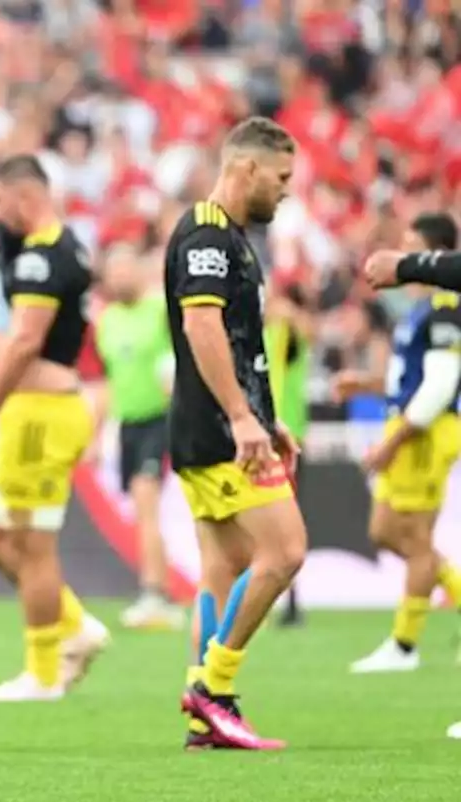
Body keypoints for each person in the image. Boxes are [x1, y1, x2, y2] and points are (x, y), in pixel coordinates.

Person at [164, 117, 306, 751]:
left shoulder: (231, 239)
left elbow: (240, 345)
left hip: (219, 425)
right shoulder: (208, 235)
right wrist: (243, 418)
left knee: (224, 566)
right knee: (285, 552)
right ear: (246, 169)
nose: (285, 191)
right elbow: (202, 329)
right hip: (220, 432)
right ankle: (214, 691)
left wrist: (266, 415)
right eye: (280, 178)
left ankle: (204, 712)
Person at [0, 156, 107, 703]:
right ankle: (73, 624)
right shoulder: (58, 249)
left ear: (24, 198)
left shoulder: (43, 259)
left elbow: (23, 343)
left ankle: (43, 673)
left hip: (41, 415)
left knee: (33, 545)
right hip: (37, 412)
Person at [345, 213, 461, 673]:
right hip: (415, 427)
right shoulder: (425, 309)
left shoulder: (446, 306)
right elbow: (415, 380)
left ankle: (405, 644)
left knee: (403, 535)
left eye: (412, 245)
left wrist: (393, 444)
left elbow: (441, 384)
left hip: (424, 434)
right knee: (401, 535)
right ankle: (412, 634)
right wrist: (371, 384)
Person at [96, 241, 183, 631]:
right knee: (139, 508)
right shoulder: (107, 319)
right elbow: (107, 380)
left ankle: (156, 593)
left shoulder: (161, 312)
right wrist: (97, 435)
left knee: (146, 500)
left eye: (126, 269)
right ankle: (153, 589)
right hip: (127, 423)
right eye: (114, 271)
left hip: (159, 419)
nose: (120, 277)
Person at [264, 281, 316, 627]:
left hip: (287, 440)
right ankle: (281, 599)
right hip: (261, 437)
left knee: (282, 524)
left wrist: (291, 313)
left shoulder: (288, 336)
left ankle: (290, 600)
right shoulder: (264, 336)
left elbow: (307, 331)